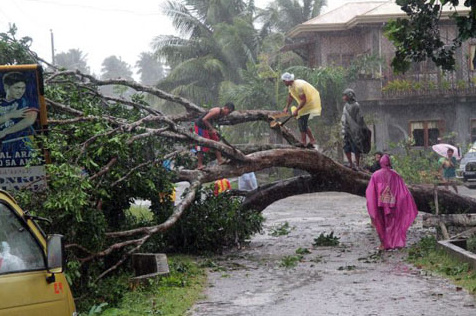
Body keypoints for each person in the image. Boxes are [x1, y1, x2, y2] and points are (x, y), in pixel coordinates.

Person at [365, 154, 418, 251]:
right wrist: (404, 203)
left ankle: (383, 244)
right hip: (393, 204)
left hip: (379, 204)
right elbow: (403, 191)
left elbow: (370, 192)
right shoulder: (395, 175)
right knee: (394, 223)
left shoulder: (375, 175)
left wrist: (372, 204)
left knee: (381, 224)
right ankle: (396, 242)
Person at [0, 72, 38, 154]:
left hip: (24, 144)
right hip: (3, 147)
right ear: (6, 87)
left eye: (23, 88)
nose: (20, 91)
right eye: (17, 88)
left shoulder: (26, 101)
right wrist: (10, 115)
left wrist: (5, 131)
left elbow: (29, 120)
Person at [281, 72, 321, 147]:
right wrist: (286, 107)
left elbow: (303, 100)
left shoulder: (298, 86)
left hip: (308, 104)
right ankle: (312, 140)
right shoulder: (290, 86)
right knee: (303, 123)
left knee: (301, 122)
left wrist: (297, 110)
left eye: (284, 81)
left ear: (288, 80)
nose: (283, 82)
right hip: (304, 104)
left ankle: (303, 142)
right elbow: (290, 97)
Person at [193, 102, 235, 169]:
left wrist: (213, 130)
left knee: (216, 141)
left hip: (207, 127)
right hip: (200, 126)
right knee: (201, 145)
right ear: (225, 108)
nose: (228, 114)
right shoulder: (216, 111)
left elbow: (211, 121)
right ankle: (199, 165)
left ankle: (220, 160)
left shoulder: (222, 114)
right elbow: (204, 119)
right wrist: (212, 129)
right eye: (229, 111)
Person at [341, 88, 367, 170]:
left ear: (349, 96)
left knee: (356, 148)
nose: (343, 97)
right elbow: (344, 117)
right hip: (347, 130)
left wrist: (359, 128)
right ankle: (351, 163)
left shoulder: (356, 105)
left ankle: (357, 165)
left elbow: (360, 118)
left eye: (344, 96)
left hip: (355, 131)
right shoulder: (345, 106)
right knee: (346, 148)